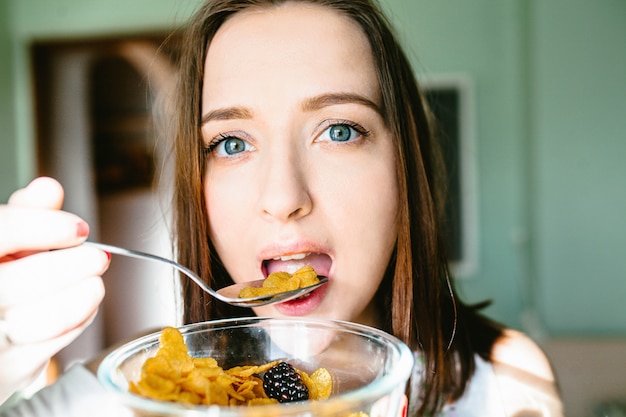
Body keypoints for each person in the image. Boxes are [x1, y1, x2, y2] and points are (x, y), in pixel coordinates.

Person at [0, 0, 563, 415]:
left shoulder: (505, 386)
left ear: (403, 166)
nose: (283, 199)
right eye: (231, 144)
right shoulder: (134, 393)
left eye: (339, 130)